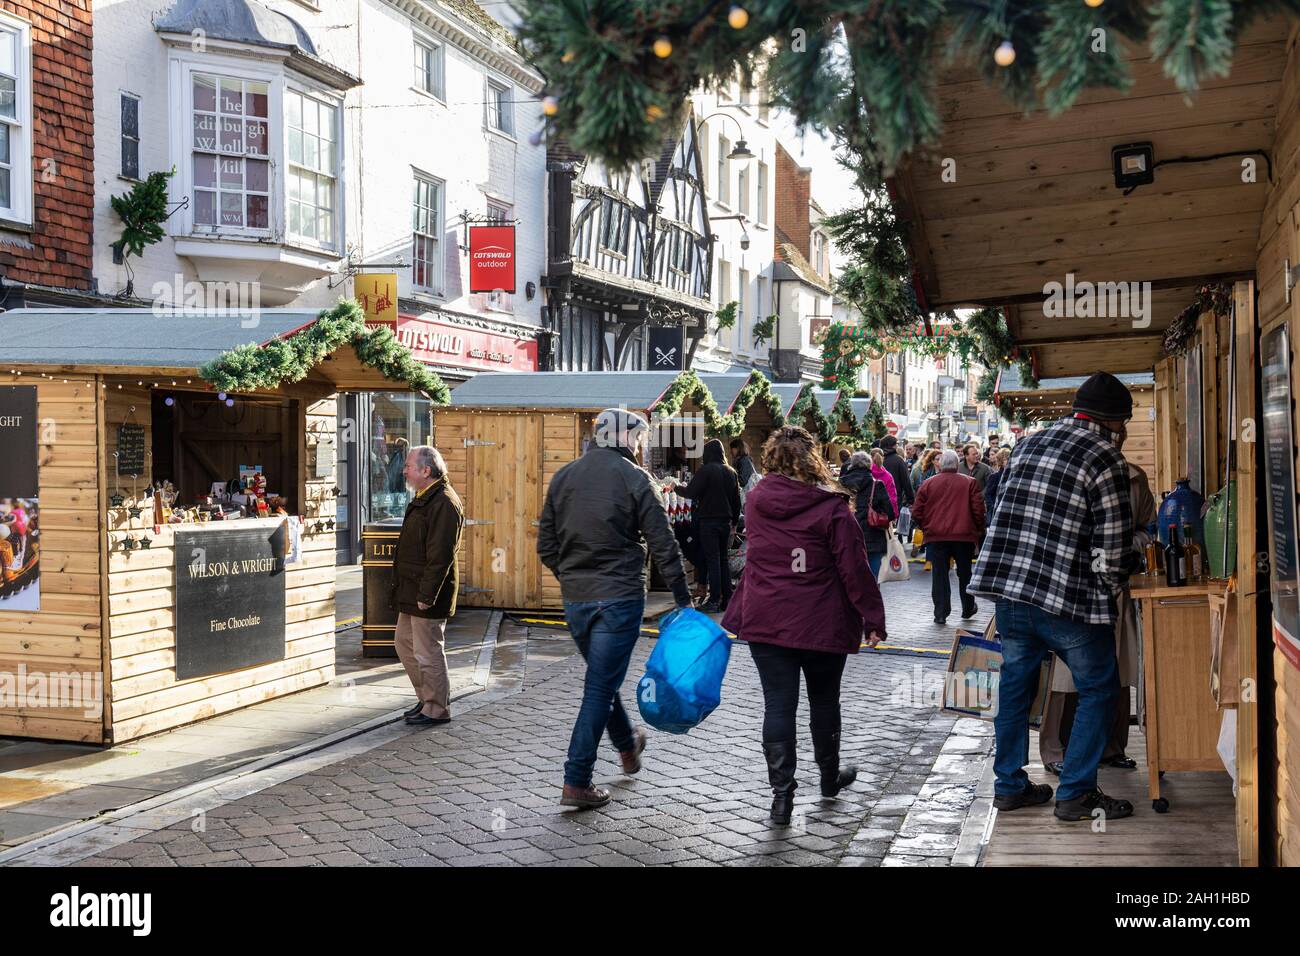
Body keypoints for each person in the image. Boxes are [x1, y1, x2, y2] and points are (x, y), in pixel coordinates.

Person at [968, 371, 1138, 823]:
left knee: (1015, 688)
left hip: (1010, 592)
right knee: (1099, 688)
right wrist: (1116, 584)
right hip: (1067, 599)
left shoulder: (1029, 443)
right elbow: (1112, 551)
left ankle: (1008, 786)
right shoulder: (1107, 457)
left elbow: (1001, 506)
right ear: (1116, 422)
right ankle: (1076, 793)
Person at [721, 426, 887, 825]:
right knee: (824, 702)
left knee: (778, 705)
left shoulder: (757, 500)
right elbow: (854, 569)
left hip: (767, 617)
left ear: (772, 457)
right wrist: (873, 619)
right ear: (812, 459)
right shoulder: (832, 508)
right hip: (821, 619)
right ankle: (829, 779)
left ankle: (782, 798)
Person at [538, 408, 694, 810]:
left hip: (577, 599)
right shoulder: (636, 478)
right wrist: (683, 599)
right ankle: (576, 780)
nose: (642, 446)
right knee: (599, 688)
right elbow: (663, 542)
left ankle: (627, 747)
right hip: (620, 596)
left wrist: (572, 575)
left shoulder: (564, 476)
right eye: (639, 438)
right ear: (625, 437)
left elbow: (546, 546)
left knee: (601, 682)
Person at [1040, 459, 1155, 774]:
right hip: (1069, 586)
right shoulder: (1062, 472)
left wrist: (1128, 544)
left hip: (1116, 586)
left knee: (1114, 668)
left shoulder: (1135, 478)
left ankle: (1110, 746)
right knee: (1065, 674)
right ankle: (1056, 749)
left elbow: (1148, 526)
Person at [390, 446, 464, 728]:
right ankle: (427, 698)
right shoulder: (425, 498)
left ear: (426, 471)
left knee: (427, 650)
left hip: (426, 593)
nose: (404, 470)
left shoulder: (444, 502)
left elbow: (440, 555)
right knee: (405, 644)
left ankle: (436, 708)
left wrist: (427, 594)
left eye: (409, 466)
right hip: (412, 589)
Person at [910, 450, 985, 624]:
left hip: (936, 537)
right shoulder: (969, 483)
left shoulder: (928, 483)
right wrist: (977, 530)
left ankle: (941, 612)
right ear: (957, 465)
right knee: (965, 573)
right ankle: (967, 607)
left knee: (940, 574)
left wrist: (926, 527)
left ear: (941, 464)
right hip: (963, 536)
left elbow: (917, 511)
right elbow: (978, 510)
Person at [682, 438, 742, 613]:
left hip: (709, 521)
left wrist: (675, 487)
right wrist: (734, 522)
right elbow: (736, 500)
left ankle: (714, 599)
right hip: (725, 523)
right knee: (722, 560)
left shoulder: (706, 470)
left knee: (713, 560)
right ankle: (727, 599)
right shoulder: (731, 472)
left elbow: (691, 492)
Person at [838, 450, 896, 578]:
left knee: (851, 577)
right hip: (874, 538)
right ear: (869, 465)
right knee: (873, 577)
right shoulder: (877, 485)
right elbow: (890, 513)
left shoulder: (840, 484)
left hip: (847, 536)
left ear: (851, 465)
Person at [878, 435, 914, 508]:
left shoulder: (877, 460)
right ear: (893, 446)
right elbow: (906, 481)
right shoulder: (898, 460)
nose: (897, 446)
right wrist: (911, 500)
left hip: (878, 500)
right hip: (894, 499)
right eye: (897, 444)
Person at [983, 447, 1013, 516]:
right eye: (1005, 459)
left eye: (1009, 459)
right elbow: (988, 494)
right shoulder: (995, 476)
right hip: (997, 510)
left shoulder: (1013, 475)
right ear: (1000, 460)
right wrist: (993, 507)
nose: (1008, 461)